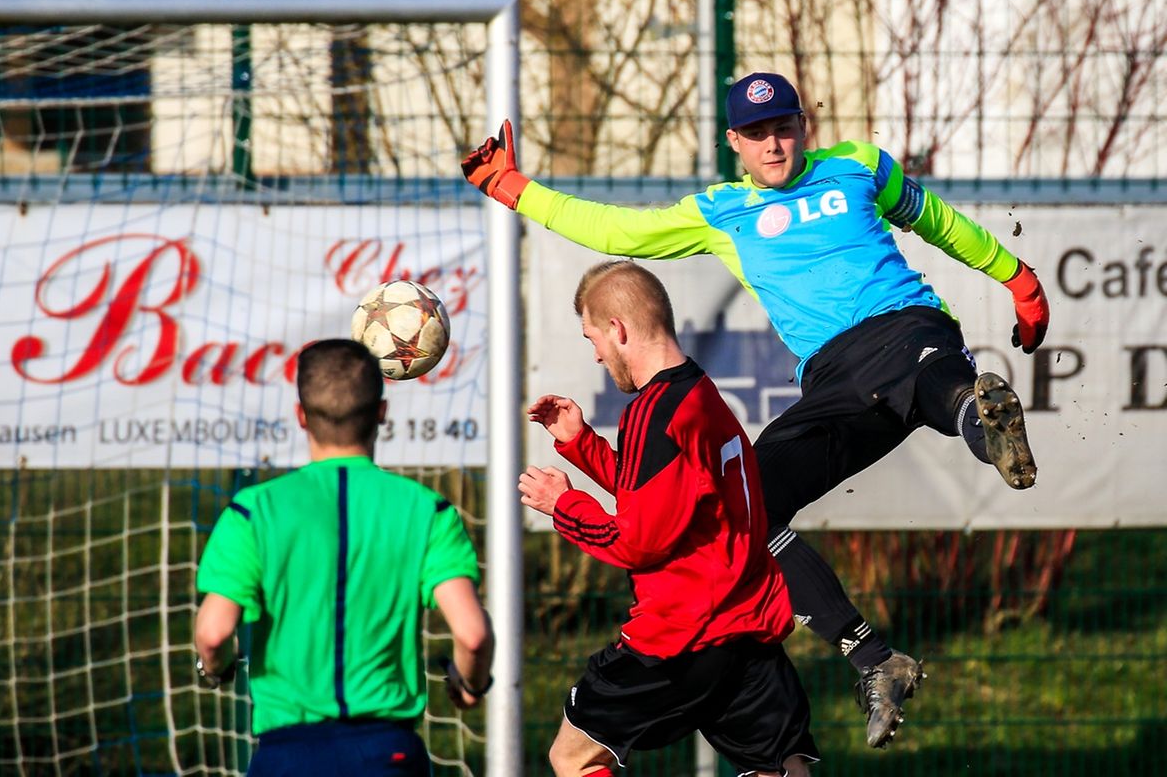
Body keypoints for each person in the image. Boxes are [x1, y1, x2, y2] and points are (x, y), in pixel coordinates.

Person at [464, 72, 1050, 748]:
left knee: (933, 376)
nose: (773, 145)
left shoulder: (857, 165)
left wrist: (1018, 278)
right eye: (757, 134)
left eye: (784, 128)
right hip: (832, 379)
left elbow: (939, 221)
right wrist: (513, 189)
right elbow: (614, 227)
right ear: (733, 142)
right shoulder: (720, 212)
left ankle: (983, 422)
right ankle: (875, 660)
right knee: (748, 508)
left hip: (905, 326)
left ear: (804, 126)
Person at [519, 260, 819, 777]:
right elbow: (670, 500)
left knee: (573, 756)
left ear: (618, 329)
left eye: (592, 337)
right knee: (778, 769)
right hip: (744, 625)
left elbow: (638, 540)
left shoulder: (653, 411)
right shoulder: (698, 395)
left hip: (681, 635)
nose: (594, 353)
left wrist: (564, 505)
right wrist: (580, 443)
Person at [193, 338, 493, 776]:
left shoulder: (253, 511)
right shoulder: (427, 512)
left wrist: (214, 669)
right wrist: (470, 683)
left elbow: (215, 633)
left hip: (287, 754)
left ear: (301, 416)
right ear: (381, 414)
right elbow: (472, 634)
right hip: (386, 752)